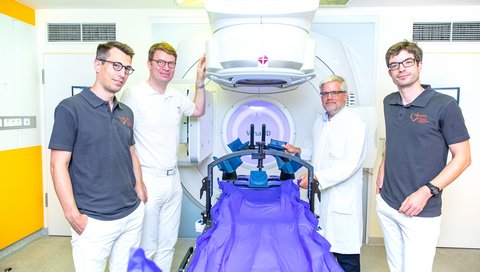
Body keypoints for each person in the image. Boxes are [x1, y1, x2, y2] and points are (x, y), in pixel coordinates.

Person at [49, 41, 147, 272]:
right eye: (116, 66)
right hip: (94, 220)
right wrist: (72, 213)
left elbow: (131, 152)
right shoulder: (70, 108)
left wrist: (140, 188)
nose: (122, 74)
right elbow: (57, 165)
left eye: (127, 69)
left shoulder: (126, 112)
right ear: (97, 64)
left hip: (131, 214)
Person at [376, 40, 471, 272]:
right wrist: (381, 170)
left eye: (407, 61)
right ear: (390, 72)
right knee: (396, 267)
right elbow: (394, 140)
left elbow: (463, 157)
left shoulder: (445, 105)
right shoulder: (389, 102)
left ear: (419, 65)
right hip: (387, 203)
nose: (401, 68)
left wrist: (426, 191)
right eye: (394, 64)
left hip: (420, 209)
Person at [121, 42, 206, 272]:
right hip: (147, 178)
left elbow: (198, 110)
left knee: (168, 244)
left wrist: (199, 82)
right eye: (161, 62)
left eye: (171, 63)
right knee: (146, 246)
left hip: (173, 180)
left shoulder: (175, 96)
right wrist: (136, 182)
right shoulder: (134, 95)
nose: (166, 67)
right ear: (149, 64)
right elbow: (123, 141)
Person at [284, 74, 367, 272]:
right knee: (322, 252)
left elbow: (350, 164)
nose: (329, 97)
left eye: (334, 92)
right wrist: (298, 151)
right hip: (322, 200)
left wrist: (316, 177)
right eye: (325, 93)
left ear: (344, 95)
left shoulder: (354, 124)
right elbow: (320, 153)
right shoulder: (320, 122)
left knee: (346, 259)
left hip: (342, 202)